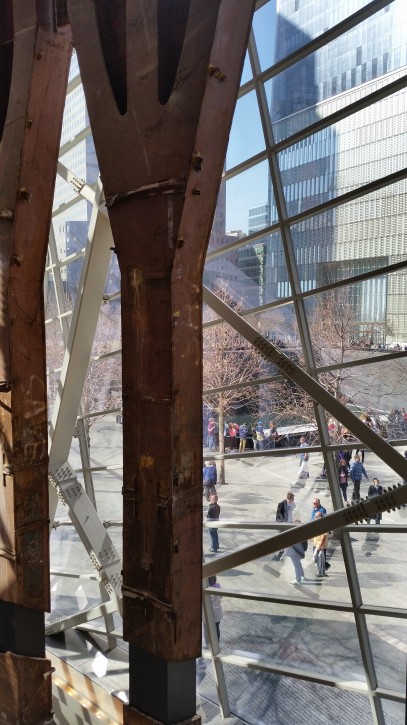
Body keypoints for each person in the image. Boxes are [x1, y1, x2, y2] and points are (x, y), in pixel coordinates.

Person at [272, 493, 296, 561]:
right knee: (282, 537)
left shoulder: (293, 504)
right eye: (293, 498)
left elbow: (291, 511)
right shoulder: (282, 504)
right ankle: (280, 551)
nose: (294, 499)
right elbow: (278, 515)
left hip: (290, 524)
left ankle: (285, 550)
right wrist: (280, 523)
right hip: (284, 524)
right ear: (290, 498)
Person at [203, 575, 223, 643]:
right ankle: (216, 643)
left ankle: (208, 644)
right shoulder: (218, 587)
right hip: (217, 612)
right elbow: (221, 596)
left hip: (206, 613)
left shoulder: (204, 589)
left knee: (206, 629)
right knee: (216, 628)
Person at [313, 511, 329, 577]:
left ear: (320, 517)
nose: (314, 518)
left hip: (320, 546)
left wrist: (320, 545)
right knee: (319, 559)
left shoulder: (323, 525)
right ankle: (323, 570)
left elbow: (323, 537)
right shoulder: (318, 524)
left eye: (316, 517)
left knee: (320, 559)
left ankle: (321, 572)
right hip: (317, 544)